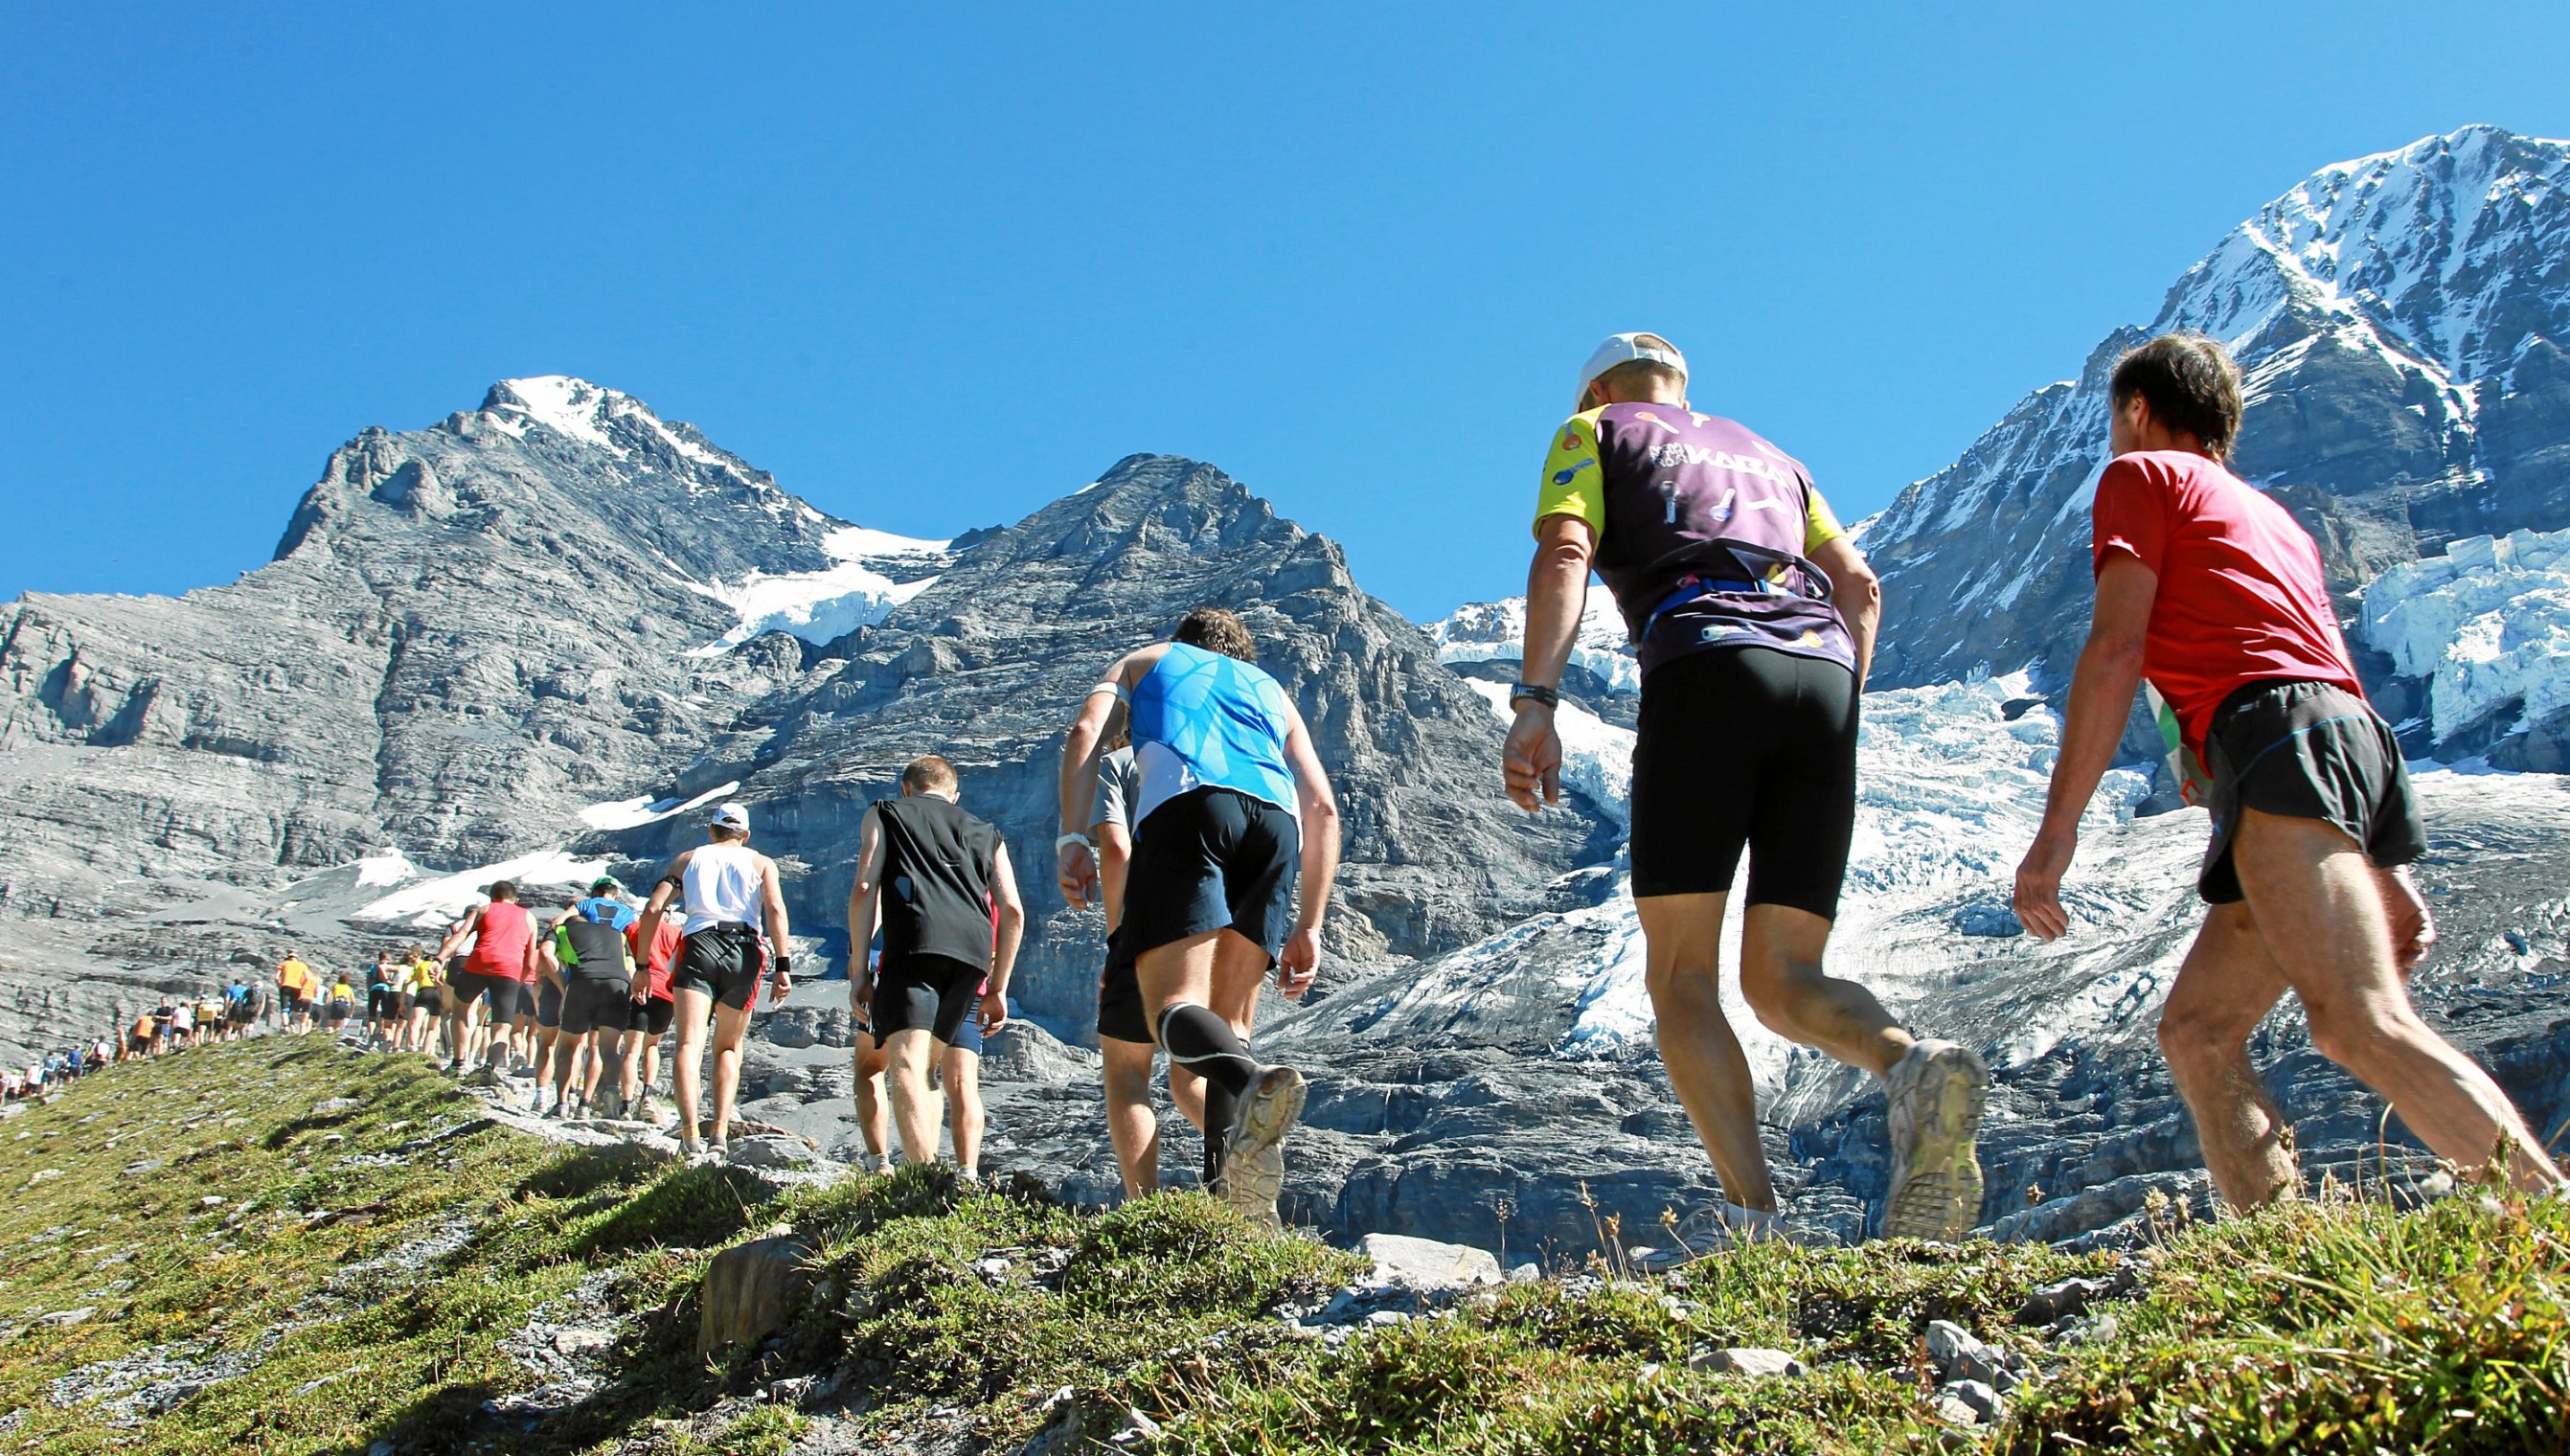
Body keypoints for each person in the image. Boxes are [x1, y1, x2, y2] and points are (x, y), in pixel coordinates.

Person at [2013, 331, 2562, 1206]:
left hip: (2275, 740)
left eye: (2115, 420)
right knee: (2196, 1033)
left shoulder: (2139, 477)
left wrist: (2055, 835)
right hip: (2336, 741)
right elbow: (2292, 660)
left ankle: (2548, 1219)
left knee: (2358, 1021)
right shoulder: (2273, 518)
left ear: (2138, 409)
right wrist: (2373, 857)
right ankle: (2277, 1249)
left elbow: (2117, 646)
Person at [1505, 332, 1990, 1242]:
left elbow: (1566, 553)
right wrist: (1838, 690)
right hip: (1821, 681)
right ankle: (1912, 1063)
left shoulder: (1594, 432)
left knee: (1682, 974)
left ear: (1600, 389)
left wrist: (1537, 701)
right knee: (1786, 979)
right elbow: (1860, 583)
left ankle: (1755, 1223)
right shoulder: (1776, 458)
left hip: (1707, 665)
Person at [1057, 606, 1341, 1226]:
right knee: (1229, 1023)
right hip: (1277, 825)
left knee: (1171, 1011)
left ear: (1181, 641)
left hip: (1190, 809)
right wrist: (1310, 925)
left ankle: (1250, 1081)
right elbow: (1321, 806)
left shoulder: (1146, 659)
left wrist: (1070, 838)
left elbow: (1084, 732)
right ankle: (1229, 1209)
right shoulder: (1271, 691)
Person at [846, 756, 1023, 1177]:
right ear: (954, 795)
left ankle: (922, 1179)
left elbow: (865, 886)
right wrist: (998, 988)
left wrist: (859, 971)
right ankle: (942, 1175)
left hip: (915, 943)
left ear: (906, 788)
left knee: (906, 1061)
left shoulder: (885, 812)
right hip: (974, 956)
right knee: (928, 1069)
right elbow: (1013, 910)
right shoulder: (988, 833)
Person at [1091, 731, 1212, 1197]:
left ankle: (1144, 1207)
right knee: (1193, 1075)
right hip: (1218, 926)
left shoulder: (1119, 762)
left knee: (1127, 1071)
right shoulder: (1214, 759)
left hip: (1150, 926)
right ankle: (1240, 1158)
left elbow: (1117, 851)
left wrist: (1116, 937)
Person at [636, 804, 794, 1159]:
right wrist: (783, 966)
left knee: (689, 1043)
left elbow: (653, 909)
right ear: (746, 835)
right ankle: (719, 1134)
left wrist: (643, 964)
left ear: (711, 830)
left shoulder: (687, 860)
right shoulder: (762, 863)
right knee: (727, 1046)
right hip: (745, 950)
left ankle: (690, 1134)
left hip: (699, 945)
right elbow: (776, 910)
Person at [544, 877, 640, 1118]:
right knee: (608, 1048)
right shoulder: (619, 931)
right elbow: (631, 966)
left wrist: (563, 985)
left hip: (583, 980)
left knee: (569, 1045)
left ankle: (562, 1104)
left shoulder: (566, 926)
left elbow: (545, 953)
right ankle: (607, 1094)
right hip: (618, 982)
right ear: (616, 894)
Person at [440, 881, 540, 1094]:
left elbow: (461, 935)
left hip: (479, 962)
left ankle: (458, 1063)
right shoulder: (529, 917)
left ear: (492, 896)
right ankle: (489, 1067)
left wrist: (440, 958)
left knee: (461, 1009)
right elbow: (531, 961)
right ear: (515, 899)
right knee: (502, 1026)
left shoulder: (483, 910)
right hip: (510, 969)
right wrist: (518, 981)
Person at [622, 904, 684, 1122]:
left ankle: (626, 1106)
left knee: (631, 1050)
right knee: (652, 1045)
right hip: (666, 993)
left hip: (640, 988)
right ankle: (647, 1096)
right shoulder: (676, 933)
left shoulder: (633, 928)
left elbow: (625, 958)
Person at [400, 947, 443, 1055]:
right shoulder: (439, 967)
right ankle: (426, 1051)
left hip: (424, 992)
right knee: (432, 1027)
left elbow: (406, 982)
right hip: (437, 994)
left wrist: (402, 1003)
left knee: (414, 1023)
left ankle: (412, 1047)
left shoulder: (420, 966)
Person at [276, 952, 315, 1035]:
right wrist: (302, 986)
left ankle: (286, 1026)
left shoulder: (283, 964)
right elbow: (307, 978)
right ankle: (292, 1028)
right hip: (297, 988)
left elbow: (276, 978)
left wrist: (279, 986)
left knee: (284, 1008)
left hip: (285, 987)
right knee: (292, 1009)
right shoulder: (302, 965)